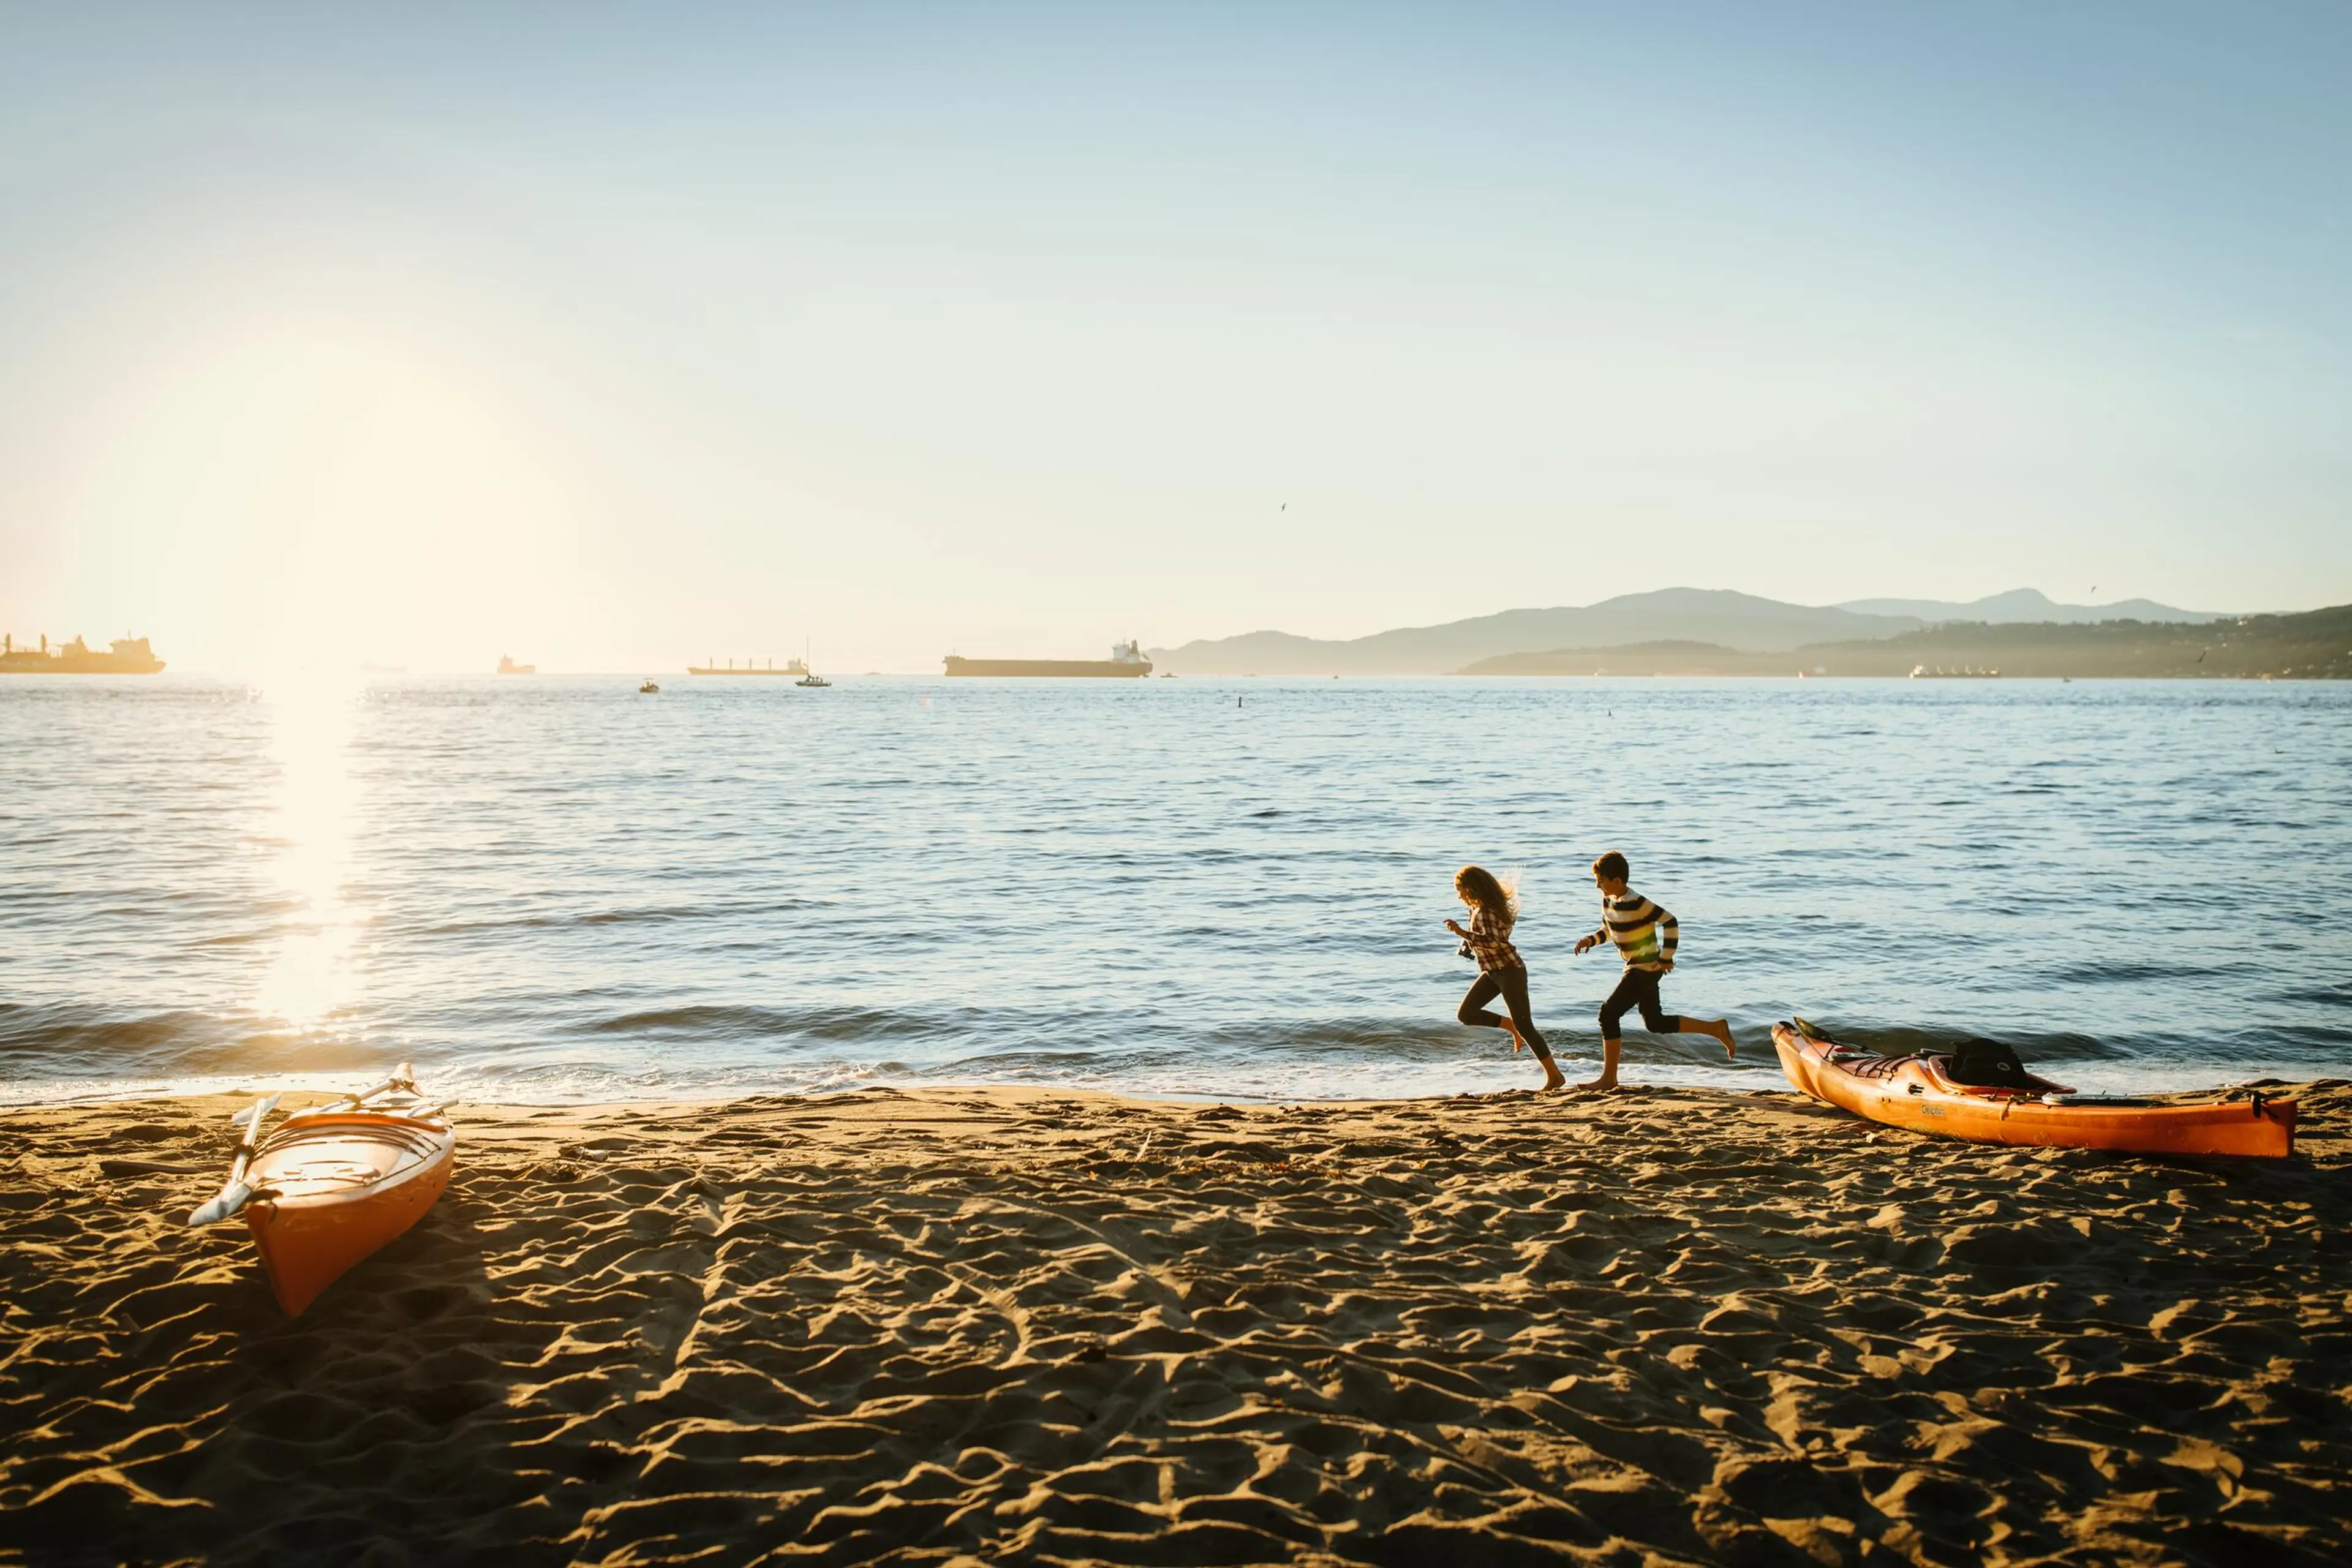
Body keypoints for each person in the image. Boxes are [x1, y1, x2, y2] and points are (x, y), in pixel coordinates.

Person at [1572, 851, 1735, 1091]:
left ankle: (1609, 1079)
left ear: (1618, 880)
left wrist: (1666, 957)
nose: (1598, 886)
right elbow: (1610, 930)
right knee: (1655, 1022)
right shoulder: (1608, 901)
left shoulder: (1639, 903)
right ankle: (1715, 1029)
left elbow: (1670, 921)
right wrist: (1591, 940)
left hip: (1646, 968)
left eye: (1602, 881)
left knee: (1608, 1014)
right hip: (1635, 966)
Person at [1445, 865, 1567, 1092]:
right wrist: (1467, 943)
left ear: (1471, 888)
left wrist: (1463, 933)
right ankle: (1511, 1026)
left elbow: (1494, 942)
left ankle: (1555, 1076)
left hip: (1510, 971)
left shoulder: (1486, 911)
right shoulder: (1477, 909)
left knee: (1526, 1025)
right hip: (1493, 972)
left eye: (1459, 889)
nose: (1458, 895)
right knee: (1466, 1014)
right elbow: (1487, 938)